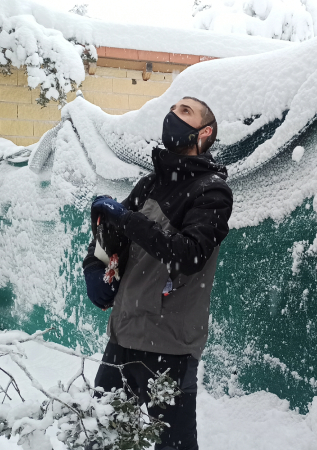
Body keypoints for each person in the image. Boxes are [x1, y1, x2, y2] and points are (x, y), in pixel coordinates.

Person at [82, 97, 232, 450]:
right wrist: (94, 264)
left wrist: (126, 218)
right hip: (123, 337)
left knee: (173, 446)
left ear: (204, 132)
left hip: (170, 347)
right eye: (173, 109)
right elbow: (113, 239)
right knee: (102, 439)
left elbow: (188, 255)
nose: (173, 116)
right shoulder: (149, 185)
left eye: (185, 112)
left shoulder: (212, 192)